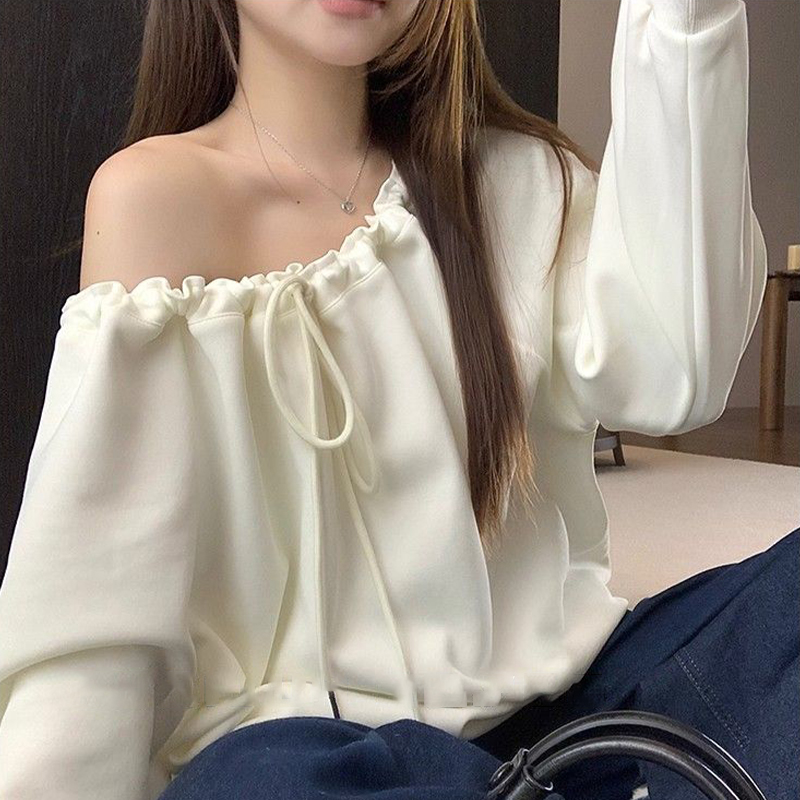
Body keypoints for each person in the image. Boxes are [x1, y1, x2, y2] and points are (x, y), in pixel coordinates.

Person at [0, 0, 794, 798]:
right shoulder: (153, 198)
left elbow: (675, 376)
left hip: (580, 717)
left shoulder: (523, 176)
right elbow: (97, 602)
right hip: (321, 760)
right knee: (258, 782)